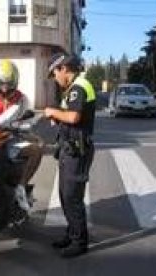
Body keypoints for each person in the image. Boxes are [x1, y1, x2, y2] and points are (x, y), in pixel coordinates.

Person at [44, 53, 96, 258]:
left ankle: (79, 242)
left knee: (72, 197)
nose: (55, 78)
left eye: (55, 73)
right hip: (69, 149)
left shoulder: (79, 86)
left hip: (78, 151)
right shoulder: (71, 88)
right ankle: (72, 233)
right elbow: (70, 117)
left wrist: (52, 112)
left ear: (63, 68)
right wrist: (58, 119)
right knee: (66, 196)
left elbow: (74, 116)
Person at [0, 59, 42, 211]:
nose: (5, 88)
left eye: (8, 83)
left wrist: (25, 128)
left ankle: (21, 187)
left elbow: (29, 120)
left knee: (37, 148)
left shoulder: (22, 99)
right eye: (2, 83)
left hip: (11, 140)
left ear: (15, 81)